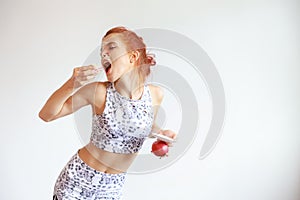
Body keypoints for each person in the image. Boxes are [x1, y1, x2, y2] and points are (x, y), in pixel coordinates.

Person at [39, 26, 177, 200]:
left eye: (111, 47)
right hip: (76, 183)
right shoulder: (98, 91)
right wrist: (72, 83)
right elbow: (46, 114)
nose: (104, 54)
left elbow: (146, 125)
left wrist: (162, 134)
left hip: (111, 189)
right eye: (102, 51)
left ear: (133, 57)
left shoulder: (156, 94)